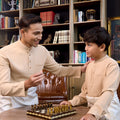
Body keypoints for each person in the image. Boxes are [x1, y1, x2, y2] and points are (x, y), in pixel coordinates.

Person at [0, 14, 89, 113]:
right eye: (36, 33)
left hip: (32, 102)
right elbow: (3, 88)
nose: (40, 37)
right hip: (9, 103)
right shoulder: (4, 53)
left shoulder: (42, 51)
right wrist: (26, 84)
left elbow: (59, 70)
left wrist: (81, 69)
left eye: (41, 33)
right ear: (23, 32)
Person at [60, 26, 120, 120]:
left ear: (102, 47)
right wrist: (71, 102)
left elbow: (108, 93)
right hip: (92, 111)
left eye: (89, 45)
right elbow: (85, 93)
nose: (85, 48)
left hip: (108, 111)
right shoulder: (90, 65)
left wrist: (93, 113)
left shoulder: (112, 65)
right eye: (85, 45)